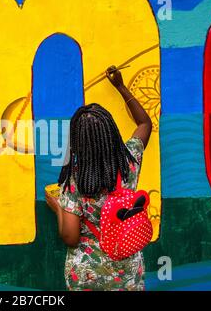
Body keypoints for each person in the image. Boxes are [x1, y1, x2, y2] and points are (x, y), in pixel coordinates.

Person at [45, 65, 153, 291]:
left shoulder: (75, 180)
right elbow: (144, 124)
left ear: (77, 141)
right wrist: (121, 87)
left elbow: (70, 237)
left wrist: (58, 209)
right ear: (110, 132)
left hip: (87, 274)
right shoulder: (129, 162)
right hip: (127, 270)